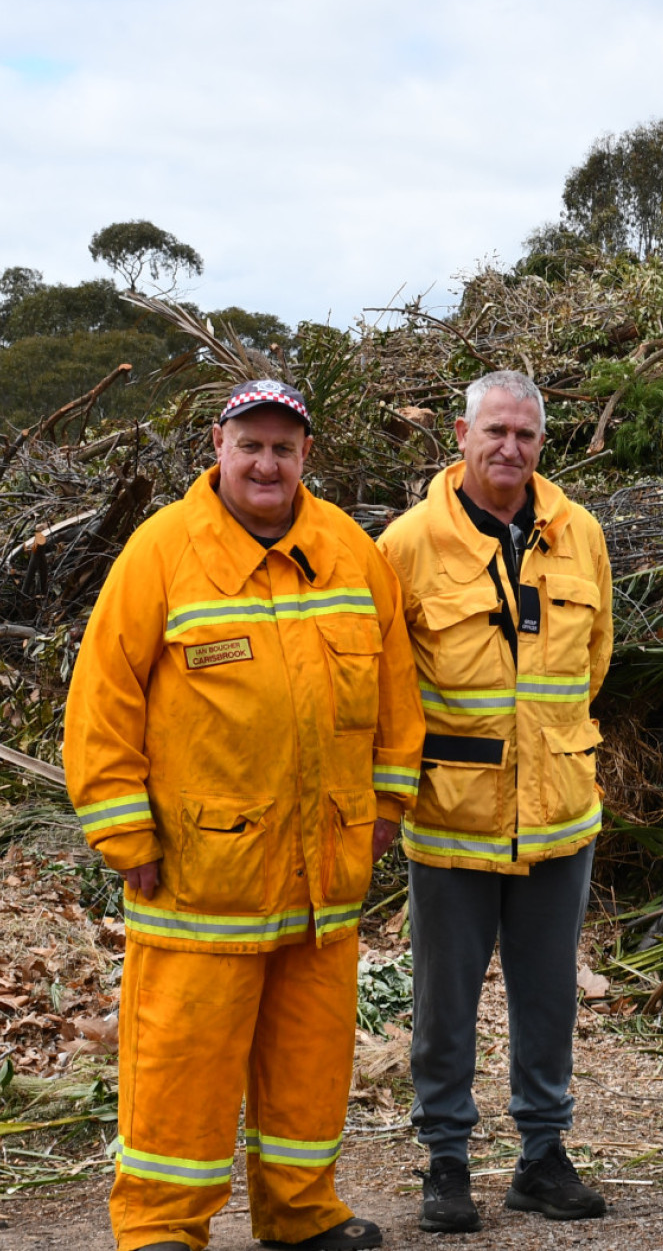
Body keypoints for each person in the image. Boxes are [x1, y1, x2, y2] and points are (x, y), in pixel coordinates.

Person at [64, 378, 423, 1251]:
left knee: (310, 1059)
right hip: (198, 879)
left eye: (284, 448)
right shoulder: (161, 553)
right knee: (180, 1065)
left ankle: (302, 1213)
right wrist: (123, 833)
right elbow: (101, 703)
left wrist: (385, 804)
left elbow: (394, 695)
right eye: (250, 444)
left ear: (306, 457)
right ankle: (159, 1229)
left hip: (321, 878)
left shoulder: (348, 549)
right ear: (217, 448)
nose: (267, 462)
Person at [377, 370, 614, 1233]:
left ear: (540, 444)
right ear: (461, 434)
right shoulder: (407, 545)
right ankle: (445, 1161)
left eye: (525, 434)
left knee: (547, 997)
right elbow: (386, 685)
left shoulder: (579, 532)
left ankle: (542, 1157)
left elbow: (593, 665)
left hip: (558, 814)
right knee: (445, 1004)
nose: (509, 447)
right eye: (495, 432)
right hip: (450, 815)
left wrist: (548, 749)